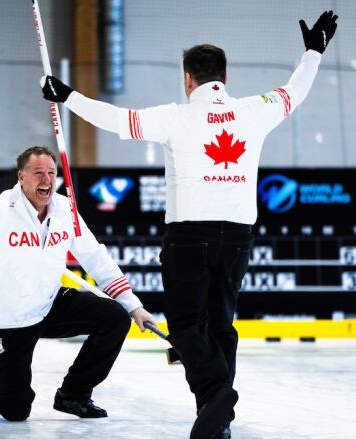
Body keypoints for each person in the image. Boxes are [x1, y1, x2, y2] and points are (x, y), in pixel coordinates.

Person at [40, 11, 338, 439]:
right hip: (237, 237)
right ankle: (216, 419)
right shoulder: (254, 111)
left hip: (189, 237)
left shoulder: (176, 117)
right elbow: (295, 92)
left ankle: (219, 403)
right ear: (225, 76)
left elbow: (116, 118)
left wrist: (67, 96)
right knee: (221, 326)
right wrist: (312, 52)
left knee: (185, 327)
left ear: (187, 79)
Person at [0, 146, 157, 422]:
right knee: (15, 409)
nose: (47, 180)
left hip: (49, 304)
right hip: (9, 320)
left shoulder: (64, 210)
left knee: (114, 317)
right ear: (21, 177)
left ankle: (74, 394)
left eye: (51, 173)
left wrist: (134, 306)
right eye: (38, 173)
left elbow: (95, 257)